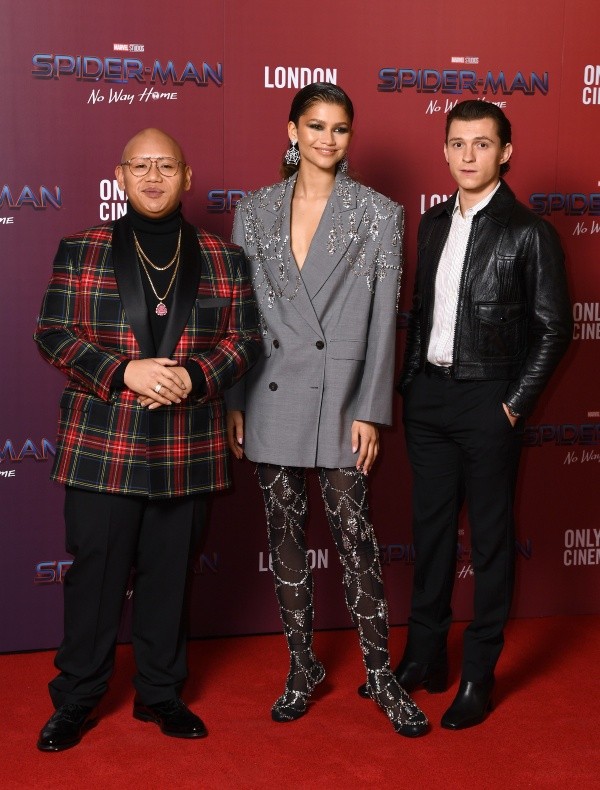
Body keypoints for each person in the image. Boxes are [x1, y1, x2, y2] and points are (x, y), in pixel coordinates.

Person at [33, 128, 261, 751]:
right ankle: (77, 698)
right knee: (95, 577)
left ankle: (160, 694)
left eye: (166, 165)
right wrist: (122, 372)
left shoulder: (224, 257)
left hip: (187, 444)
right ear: (121, 176)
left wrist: (196, 376)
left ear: (187, 177)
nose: (153, 176)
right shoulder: (80, 249)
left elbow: (245, 340)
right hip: (103, 444)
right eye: (141, 166)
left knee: (170, 576)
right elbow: (52, 332)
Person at [225, 82, 428, 737]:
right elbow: (240, 315)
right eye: (315, 126)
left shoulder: (379, 213)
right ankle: (301, 667)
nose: (327, 139)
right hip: (269, 390)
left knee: (356, 539)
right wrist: (234, 399)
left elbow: (383, 322)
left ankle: (381, 675)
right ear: (292, 131)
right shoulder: (254, 210)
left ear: (350, 136)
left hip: (341, 397)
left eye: (340, 128)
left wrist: (371, 409)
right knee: (284, 537)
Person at [389, 100, 572, 729]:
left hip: (489, 401)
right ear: (444, 150)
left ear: (505, 152)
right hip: (429, 400)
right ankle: (423, 656)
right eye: (458, 143)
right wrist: (410, 385)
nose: (468, 155)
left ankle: (477, 675)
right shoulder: (433, 223)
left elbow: (554, 329)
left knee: (490, 543)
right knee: (431, 535)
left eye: (483, 144)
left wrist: (513, 405)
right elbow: (421, 313)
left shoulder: (529, 232)